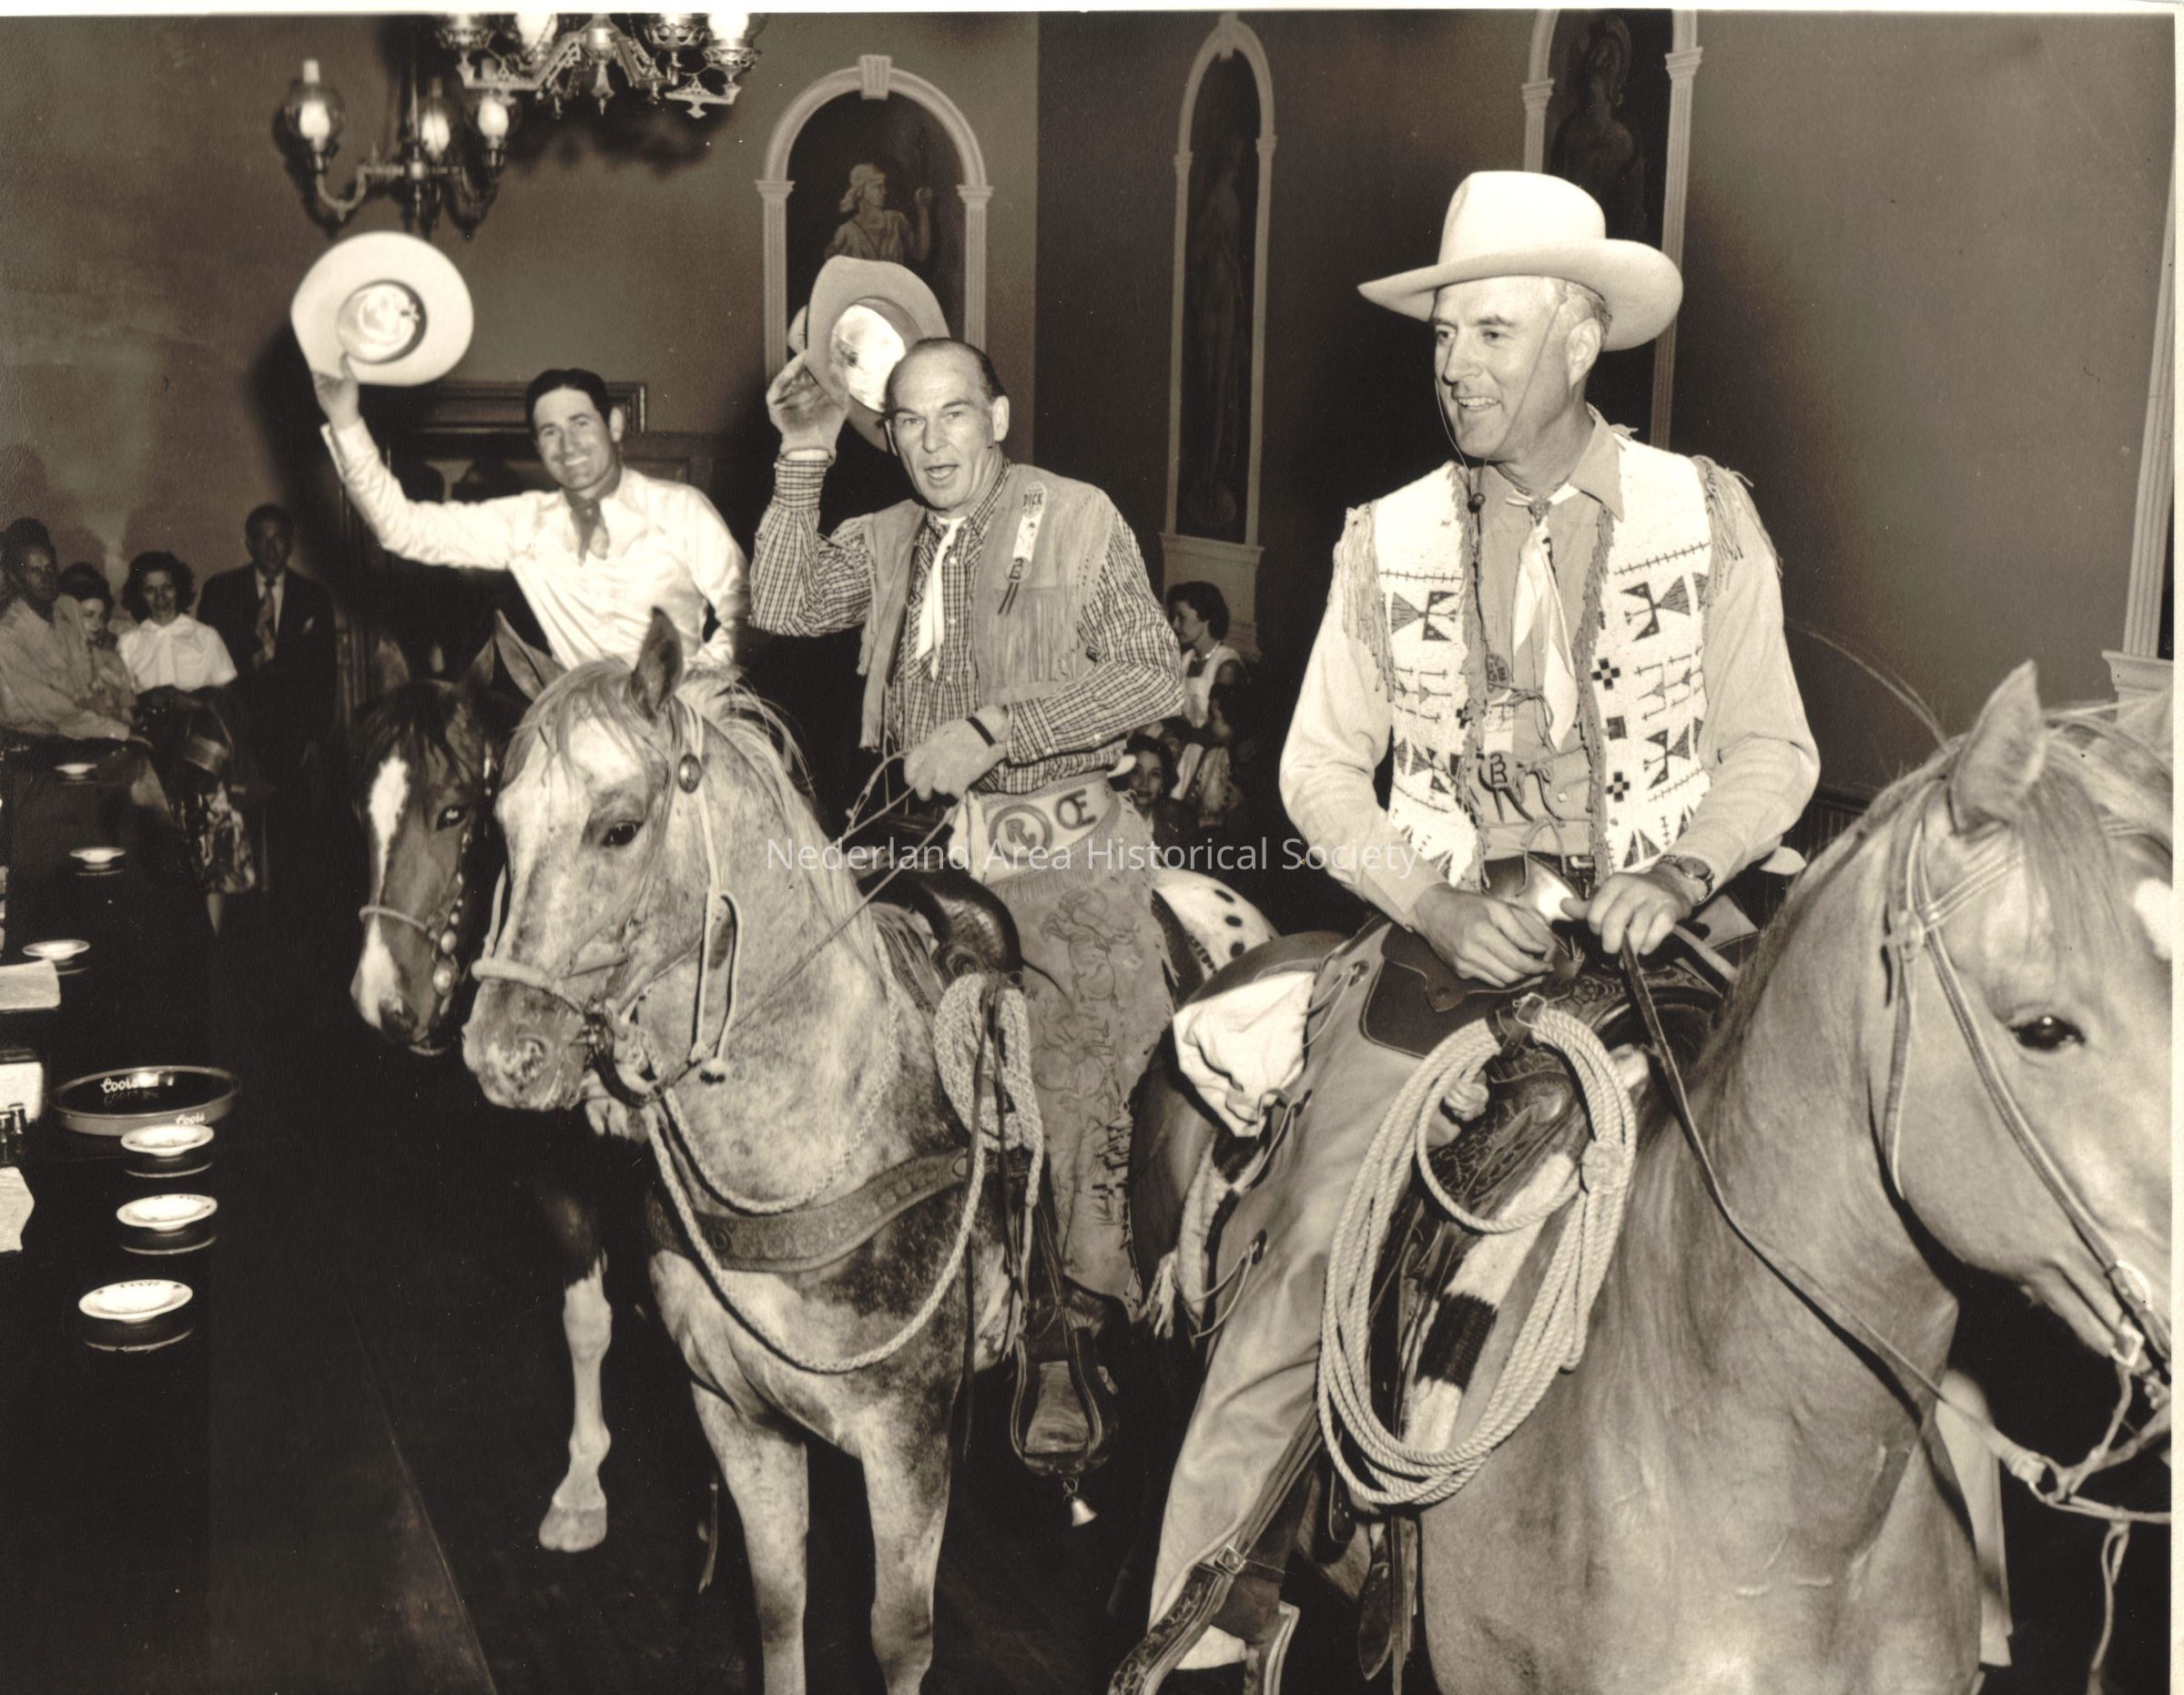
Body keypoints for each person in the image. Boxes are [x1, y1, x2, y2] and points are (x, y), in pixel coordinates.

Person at [1141, 170, 1818, 1672]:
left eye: (1490, 333)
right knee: (1301, 1281)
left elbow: (1774, 751)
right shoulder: (1381, 539)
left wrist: (1678, 871)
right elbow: (1315, 774)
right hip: (1442, 969)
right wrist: (1433, 902)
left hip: (1665, 957)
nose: (1453, 365)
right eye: (1442, 335)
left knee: (1834, 1223)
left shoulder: (1700, 516)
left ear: (1578, 338)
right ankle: (1192, 1639)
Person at [753, 328, 1183, 1460]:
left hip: (1057, 849)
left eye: (954, 414)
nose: (932, 441)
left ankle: (1067, 1324)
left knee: (1076, 1055)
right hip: (913, 847)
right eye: (907, 421)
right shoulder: (889, 532)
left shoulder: (1075, 515)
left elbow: (1152, 673)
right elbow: (782, 601)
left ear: (995, 417)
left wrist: (996, 729)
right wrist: (803, 453)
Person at [313, 366, 748, 675]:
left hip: (686, 721)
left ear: (614, 424)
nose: (567, 444)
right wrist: (345, 419)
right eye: (550, 432)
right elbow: (401, 528)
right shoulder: (522, 524)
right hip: (581, 736)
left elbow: (744, 606)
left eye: (580, 423)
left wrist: (700, 682)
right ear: (537, 447)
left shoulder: (681, 508)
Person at [117, 551, 257, 923]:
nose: (160, 597)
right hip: (154, 759)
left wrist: (189, 701)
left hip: (201, 756)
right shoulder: (129, 643)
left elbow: (230, 703)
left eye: (167, 587)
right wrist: (151, 699)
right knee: (161, 851)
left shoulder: (204, 637)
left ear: (180, 589)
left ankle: (212, 937)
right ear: (139, 595)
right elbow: (121, 705)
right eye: (150, 590)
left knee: (211, 851)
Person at [197, 503, 339, 852]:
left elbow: (325, 674)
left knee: (290, 841)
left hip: (292, 740)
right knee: (237, 842)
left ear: (291, 543)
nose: (271, 548)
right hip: (237, 736)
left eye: (279, 539)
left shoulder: (314, 597)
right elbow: (206, 668)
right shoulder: (220, 591)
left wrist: (314, 737)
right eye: (262, 539)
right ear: (248, 544)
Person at [0, 519, 136, 742]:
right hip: (38, 743)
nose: (46, 578)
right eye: (34, 571)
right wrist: (119, 731)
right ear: (16, 579)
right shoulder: (8, 635)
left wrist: (122, 708)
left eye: (50, 568)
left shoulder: (67, 608)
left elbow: (91, 668)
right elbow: (56, 711)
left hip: (86, 729)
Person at [57, 562, 138, 721]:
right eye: (89, 615)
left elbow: (129, 707)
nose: (97, 623)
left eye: (101, 617)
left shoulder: (109, 658)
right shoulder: (57, 653)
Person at [1165, 580, 1245, 727]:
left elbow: (1222, 729)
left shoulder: (1227, 665)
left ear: (1205, 616)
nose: (1174, 625)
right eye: (1173, 617)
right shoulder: (1186, 659)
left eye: (1181, 617)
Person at [825, 162, 933, 269]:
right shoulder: (846, 230)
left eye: (883, 186)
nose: (884, 192)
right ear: (861, 191)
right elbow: (831, 267)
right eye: (878, 186)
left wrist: (922, 209)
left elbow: (921, 253)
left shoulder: (895, 219)